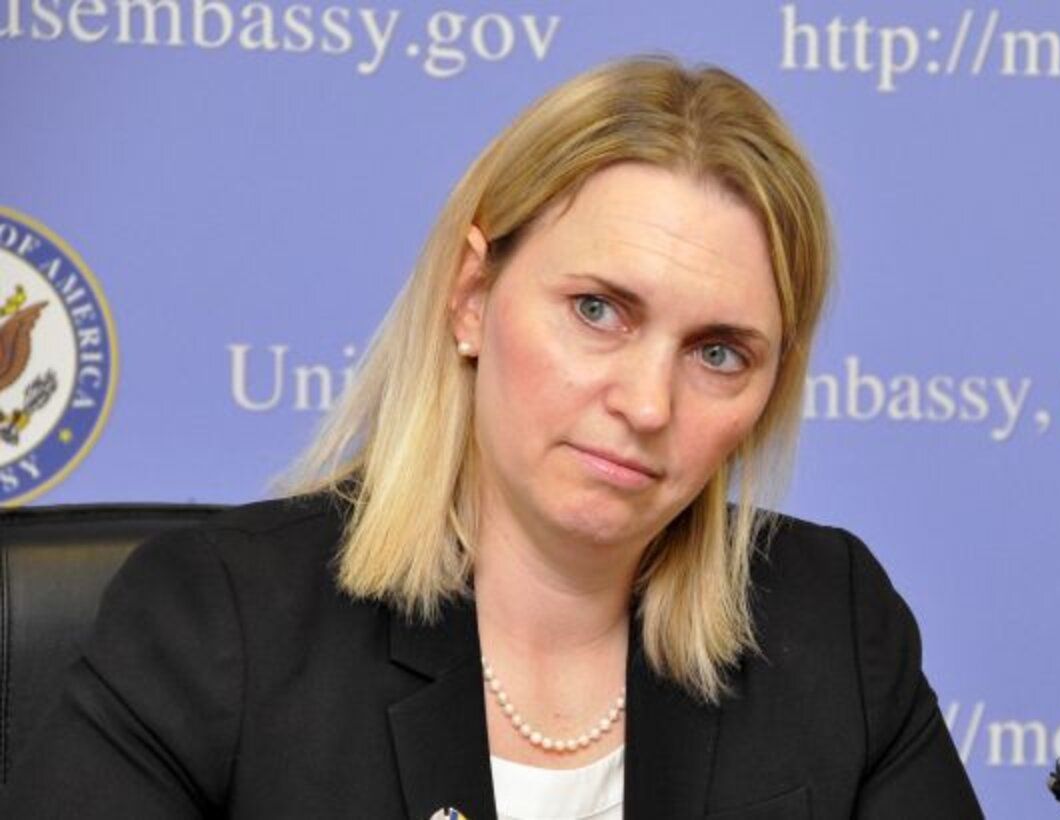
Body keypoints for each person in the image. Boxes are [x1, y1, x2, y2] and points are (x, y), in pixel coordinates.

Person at [1, 56, 983, 818]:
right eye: (598, 310)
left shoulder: (833, 620)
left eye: (719, 353)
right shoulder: (219, 625)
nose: (648, 403)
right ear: (473, 296)